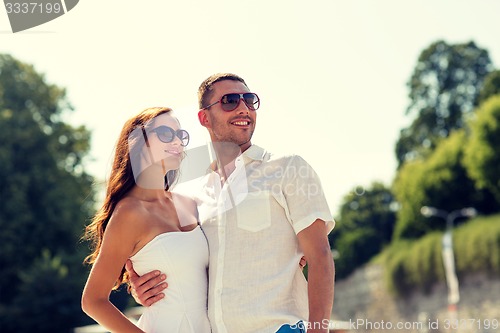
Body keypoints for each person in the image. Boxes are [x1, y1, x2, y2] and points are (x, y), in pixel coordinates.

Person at [127, 74, 336, 333]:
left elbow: (320, 256)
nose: (243, 108)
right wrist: (140, 286)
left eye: (250, 100)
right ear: (204, 117)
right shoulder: (189, 195)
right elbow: (181, 261)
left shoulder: (289, 168)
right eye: (229, 101)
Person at [81, 107, 211, 333]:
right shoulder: (129, 213)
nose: (178, 142)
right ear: (138, 143)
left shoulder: (188, 203)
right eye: (166, 134)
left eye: (181, 135)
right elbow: (93, 301)